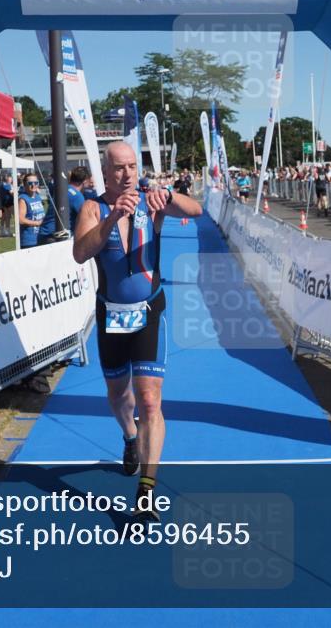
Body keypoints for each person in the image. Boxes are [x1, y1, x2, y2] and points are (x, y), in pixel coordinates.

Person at [72, 141, 201, 522]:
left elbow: (196, 210)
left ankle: (146, 490)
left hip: (149, 311)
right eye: (119, 168)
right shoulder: (93, 207)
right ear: (105, 171)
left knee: (149, 400)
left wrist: (170, 194)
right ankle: (130, 436)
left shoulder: (151, 201)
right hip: (111, 313)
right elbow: (80, 252)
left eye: (132, 166)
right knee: (118, 394)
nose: (127, 174)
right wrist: (111, 220)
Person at [17, 173, 46, 249]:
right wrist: (37, 223)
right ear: (25, 184)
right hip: (29, 240)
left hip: (40, 237)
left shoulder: (38, 197)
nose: (33, 185)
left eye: (36, 183)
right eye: (30, 183)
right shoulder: (23, 199)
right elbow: (20, 220)